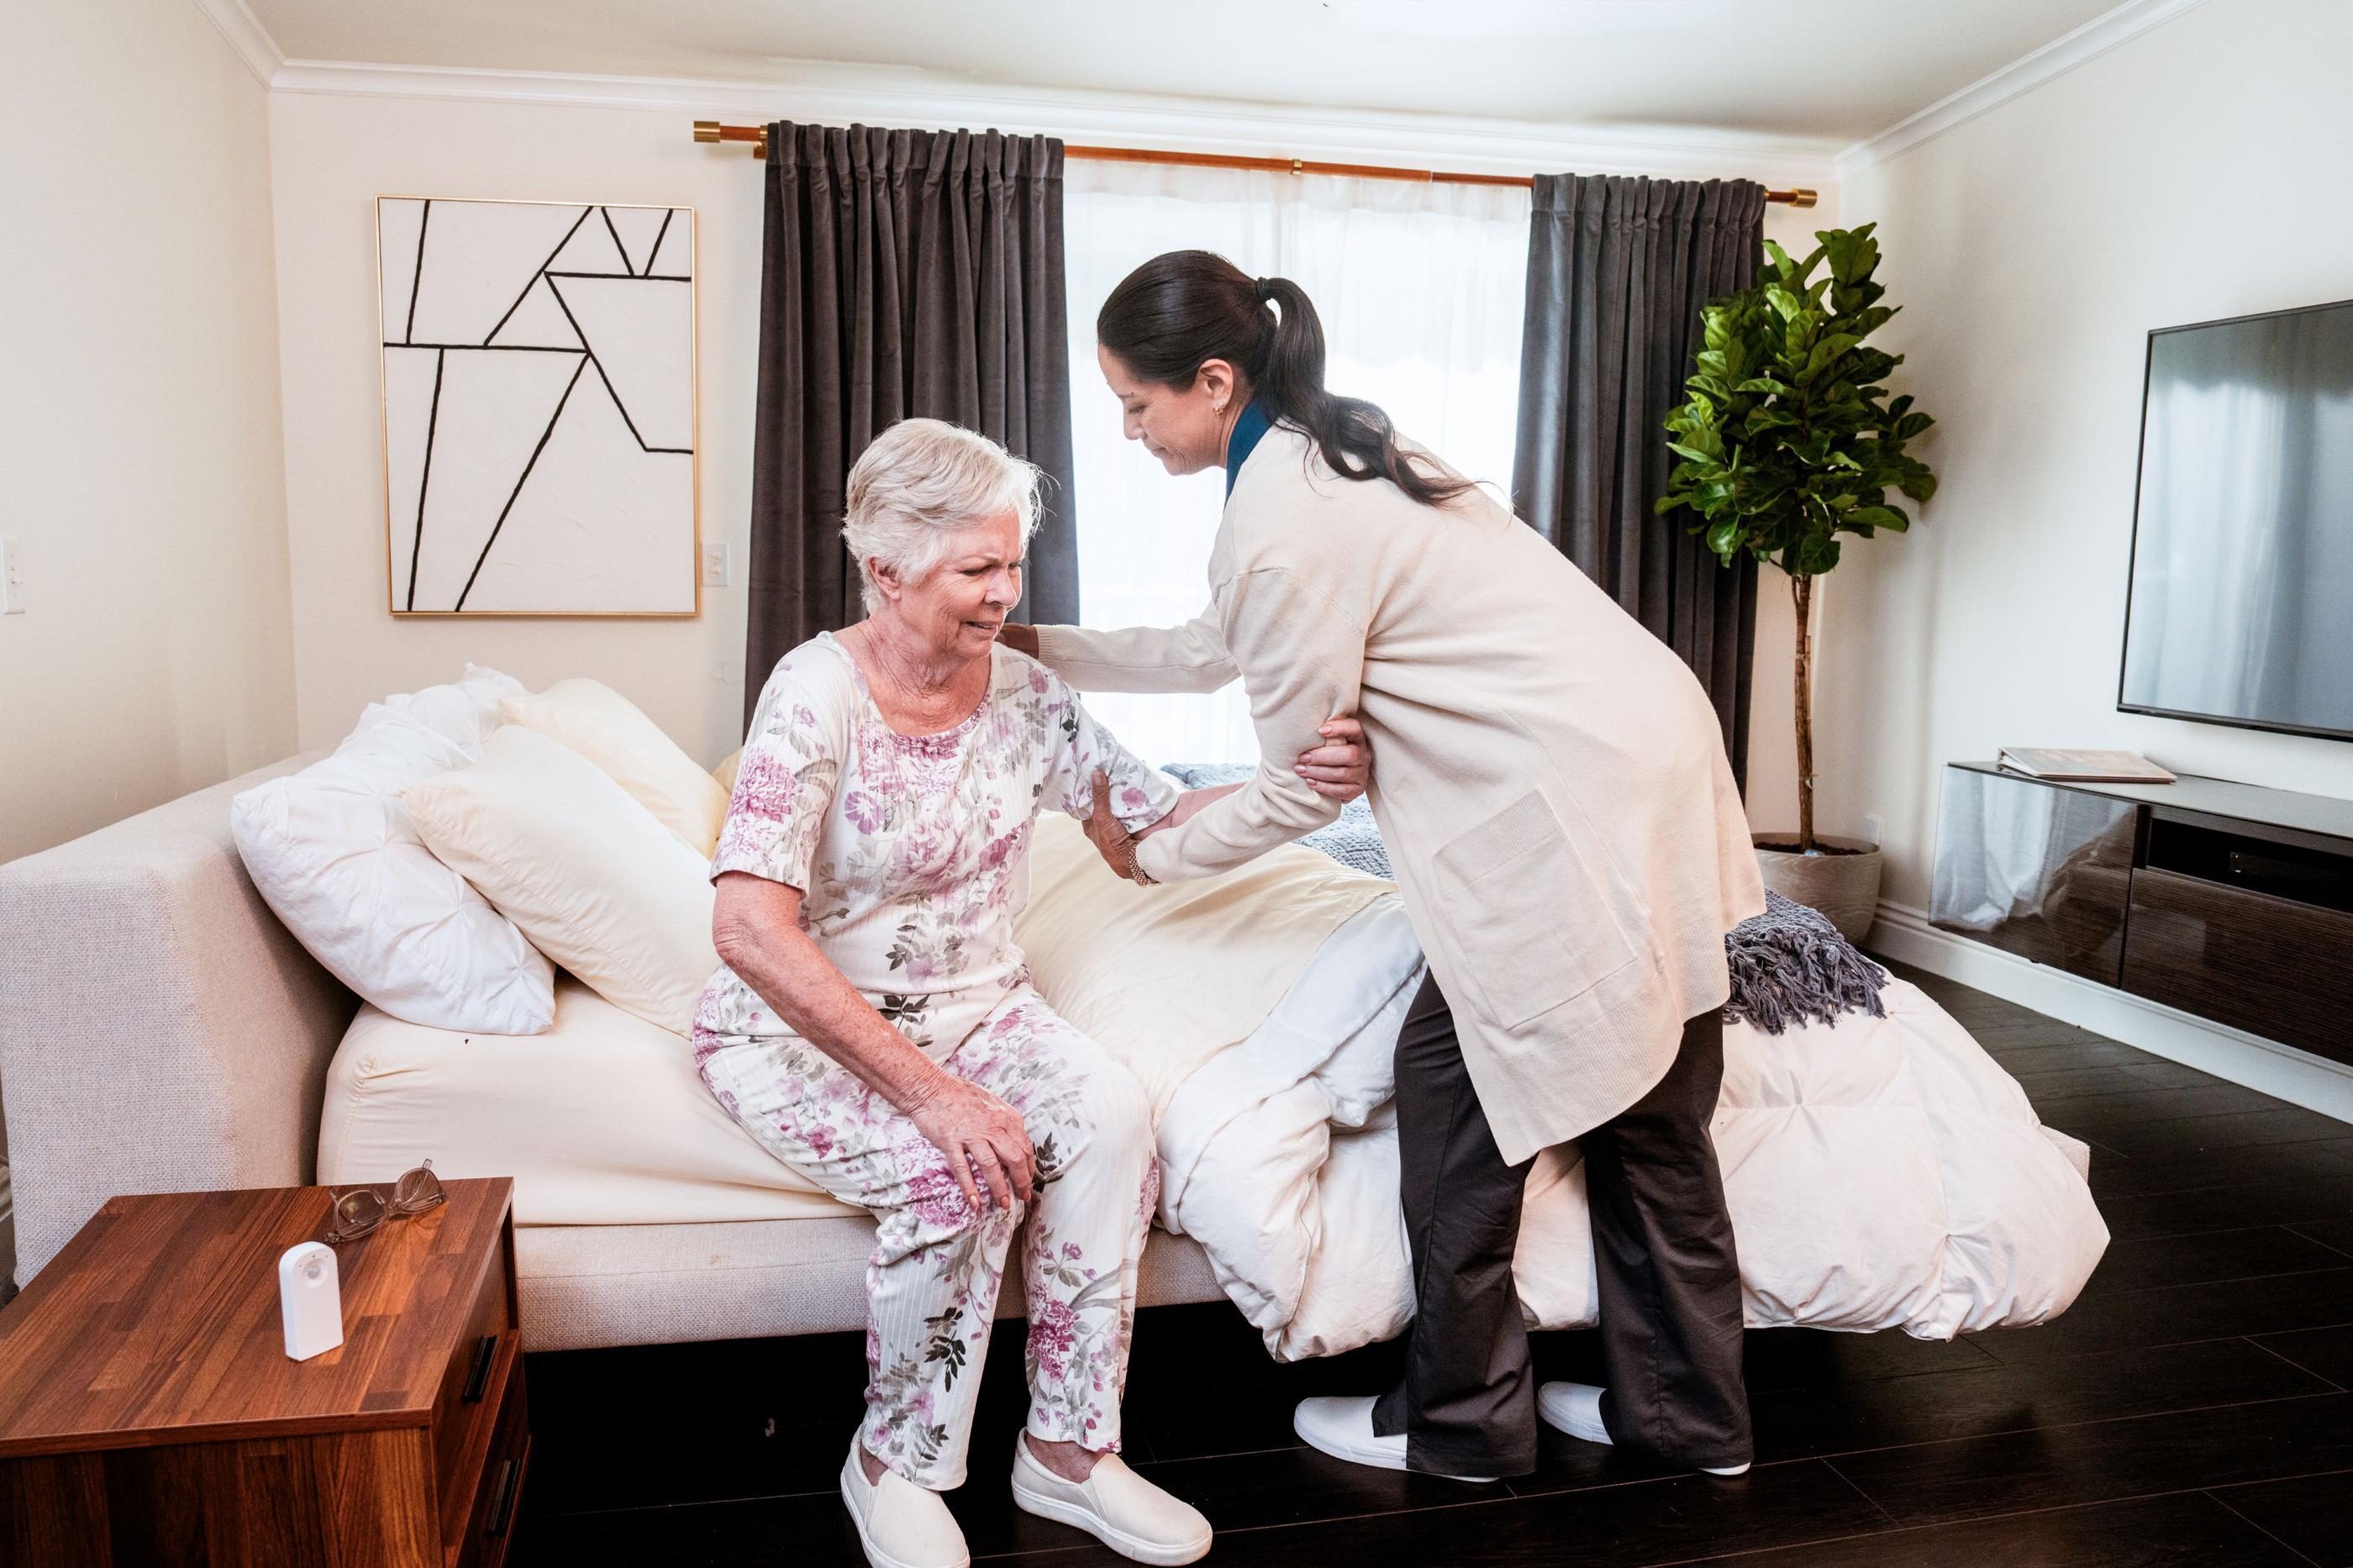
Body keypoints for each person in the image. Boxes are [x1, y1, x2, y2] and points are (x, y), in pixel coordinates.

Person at [999, 250, 1767, 1483]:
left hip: (1557, 798)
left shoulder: (1279, 522)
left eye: (1137, 406)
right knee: (1659, 1081)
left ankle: (1458, 1424)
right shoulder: (1331, 445)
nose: (1129, 431)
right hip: (1654, 744)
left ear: (1211, 379)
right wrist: (1042, 645)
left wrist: (1148, 853)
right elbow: (1219, 649)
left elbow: (1304, 785)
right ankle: (1689, 1415)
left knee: (1452, 1085)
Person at [694, 416, 1371, 1568]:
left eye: (1013, 562)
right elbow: (750, 929)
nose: (1007, 591)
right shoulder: (815, 694)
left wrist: (1296, 790)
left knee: (1109, 1114)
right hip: (803, 1027)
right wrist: (935, 1098)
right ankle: (893, 1462)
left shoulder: (1026, 695)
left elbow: (1143, 826)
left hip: (980, 1002)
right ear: (885, 567)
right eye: (977, 569)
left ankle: (1066, 1450)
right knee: (956, 1172)